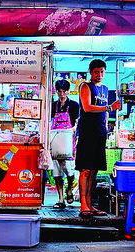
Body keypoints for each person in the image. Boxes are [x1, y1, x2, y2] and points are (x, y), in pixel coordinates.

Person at [75, 59, 121, 218]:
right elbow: (87, 107)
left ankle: (90, 204)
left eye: (102, 72)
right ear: (90, 72)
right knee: (85, 169)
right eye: (96, 72)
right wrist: (109, 107)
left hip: (101, 132)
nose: (99, 74)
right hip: (87, 133)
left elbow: (106, 113)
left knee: (94, 170)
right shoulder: (86, 86)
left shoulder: (106, 89)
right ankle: (83, 205)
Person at [50, 79, 80, 209]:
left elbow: (77, 123)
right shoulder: (53, 105)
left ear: (68, 91)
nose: (61, 94)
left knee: (69, 170)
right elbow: (49, 121)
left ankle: (69, 188)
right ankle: (61, 199)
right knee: (56, 171)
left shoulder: (74, 105)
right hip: (55, 140)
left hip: (68, 140)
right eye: (59, 91)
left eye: (64, 91)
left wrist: (71, 131)